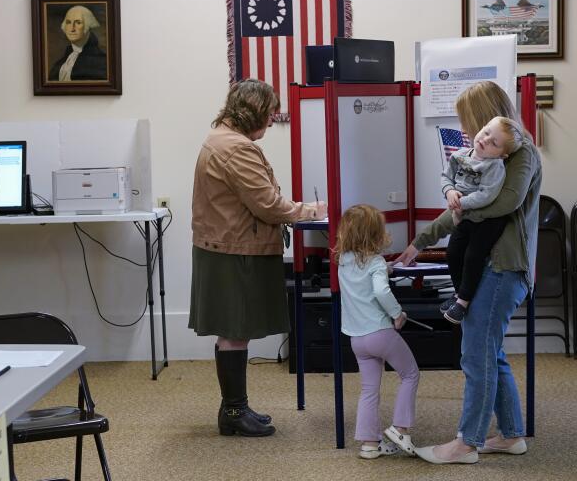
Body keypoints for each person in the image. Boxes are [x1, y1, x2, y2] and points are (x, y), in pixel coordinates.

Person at [393, 80, 542, 464]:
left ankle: (467, 443)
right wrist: (421, 241)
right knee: (490, 355)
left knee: (476, 357)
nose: (467, 130)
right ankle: (511, 435)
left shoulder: (521, 155)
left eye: (468, 120)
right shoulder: (487, 158)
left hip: (503, 267)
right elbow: (465, 206)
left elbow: (501, 204)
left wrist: (458, 202)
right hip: (494, 268)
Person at [189, 79, 327, 437]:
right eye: (268, 113)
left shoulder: (221, 137)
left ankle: (235, 406)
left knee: (235, 331)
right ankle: (234, 411)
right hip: (236, 251)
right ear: (254, 112)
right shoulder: (236, 148)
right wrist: (312, 211)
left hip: (226, 245)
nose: (270, 120)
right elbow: (267, 205)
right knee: (235, 331)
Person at [336, 204, 420, 459]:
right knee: (410, 374)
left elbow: (364, 279)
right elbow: (381, 291)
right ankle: (400, 428)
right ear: (376, 234)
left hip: (356, 338)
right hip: (381, 333)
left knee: (369, 389)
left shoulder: (343, 260)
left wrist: (387, 268)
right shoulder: (375, 262)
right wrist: (398, 314)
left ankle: (369, 445)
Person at [438, 116, 524, 324]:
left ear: (502, 154)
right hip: (465, 215)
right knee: (453, 252)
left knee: (473, 256)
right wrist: (449, 191)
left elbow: (487, 195)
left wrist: (461, 204)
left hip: (488, 220)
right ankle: (459, 293)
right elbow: (445, 177)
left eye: (494, 142)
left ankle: (464, 302)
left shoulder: (494, 166)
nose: (485, 140)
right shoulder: (459, 156)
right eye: (486, 132)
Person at [48, 5, 107, 82]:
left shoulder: (102, 61)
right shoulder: (61, 63)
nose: (72, 28)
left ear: (88, 26)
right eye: (68, 22)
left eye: (78, 22)